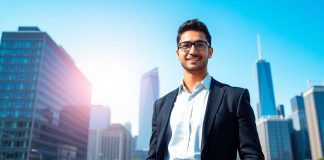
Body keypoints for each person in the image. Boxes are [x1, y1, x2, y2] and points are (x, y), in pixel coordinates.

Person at [147, 19, 264, 160]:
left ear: (210, 52)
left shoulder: (235, 98)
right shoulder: (160, 105)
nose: (193, 51)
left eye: (200, 45)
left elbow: (252, 155)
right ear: (178, 53)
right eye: (186, 45)